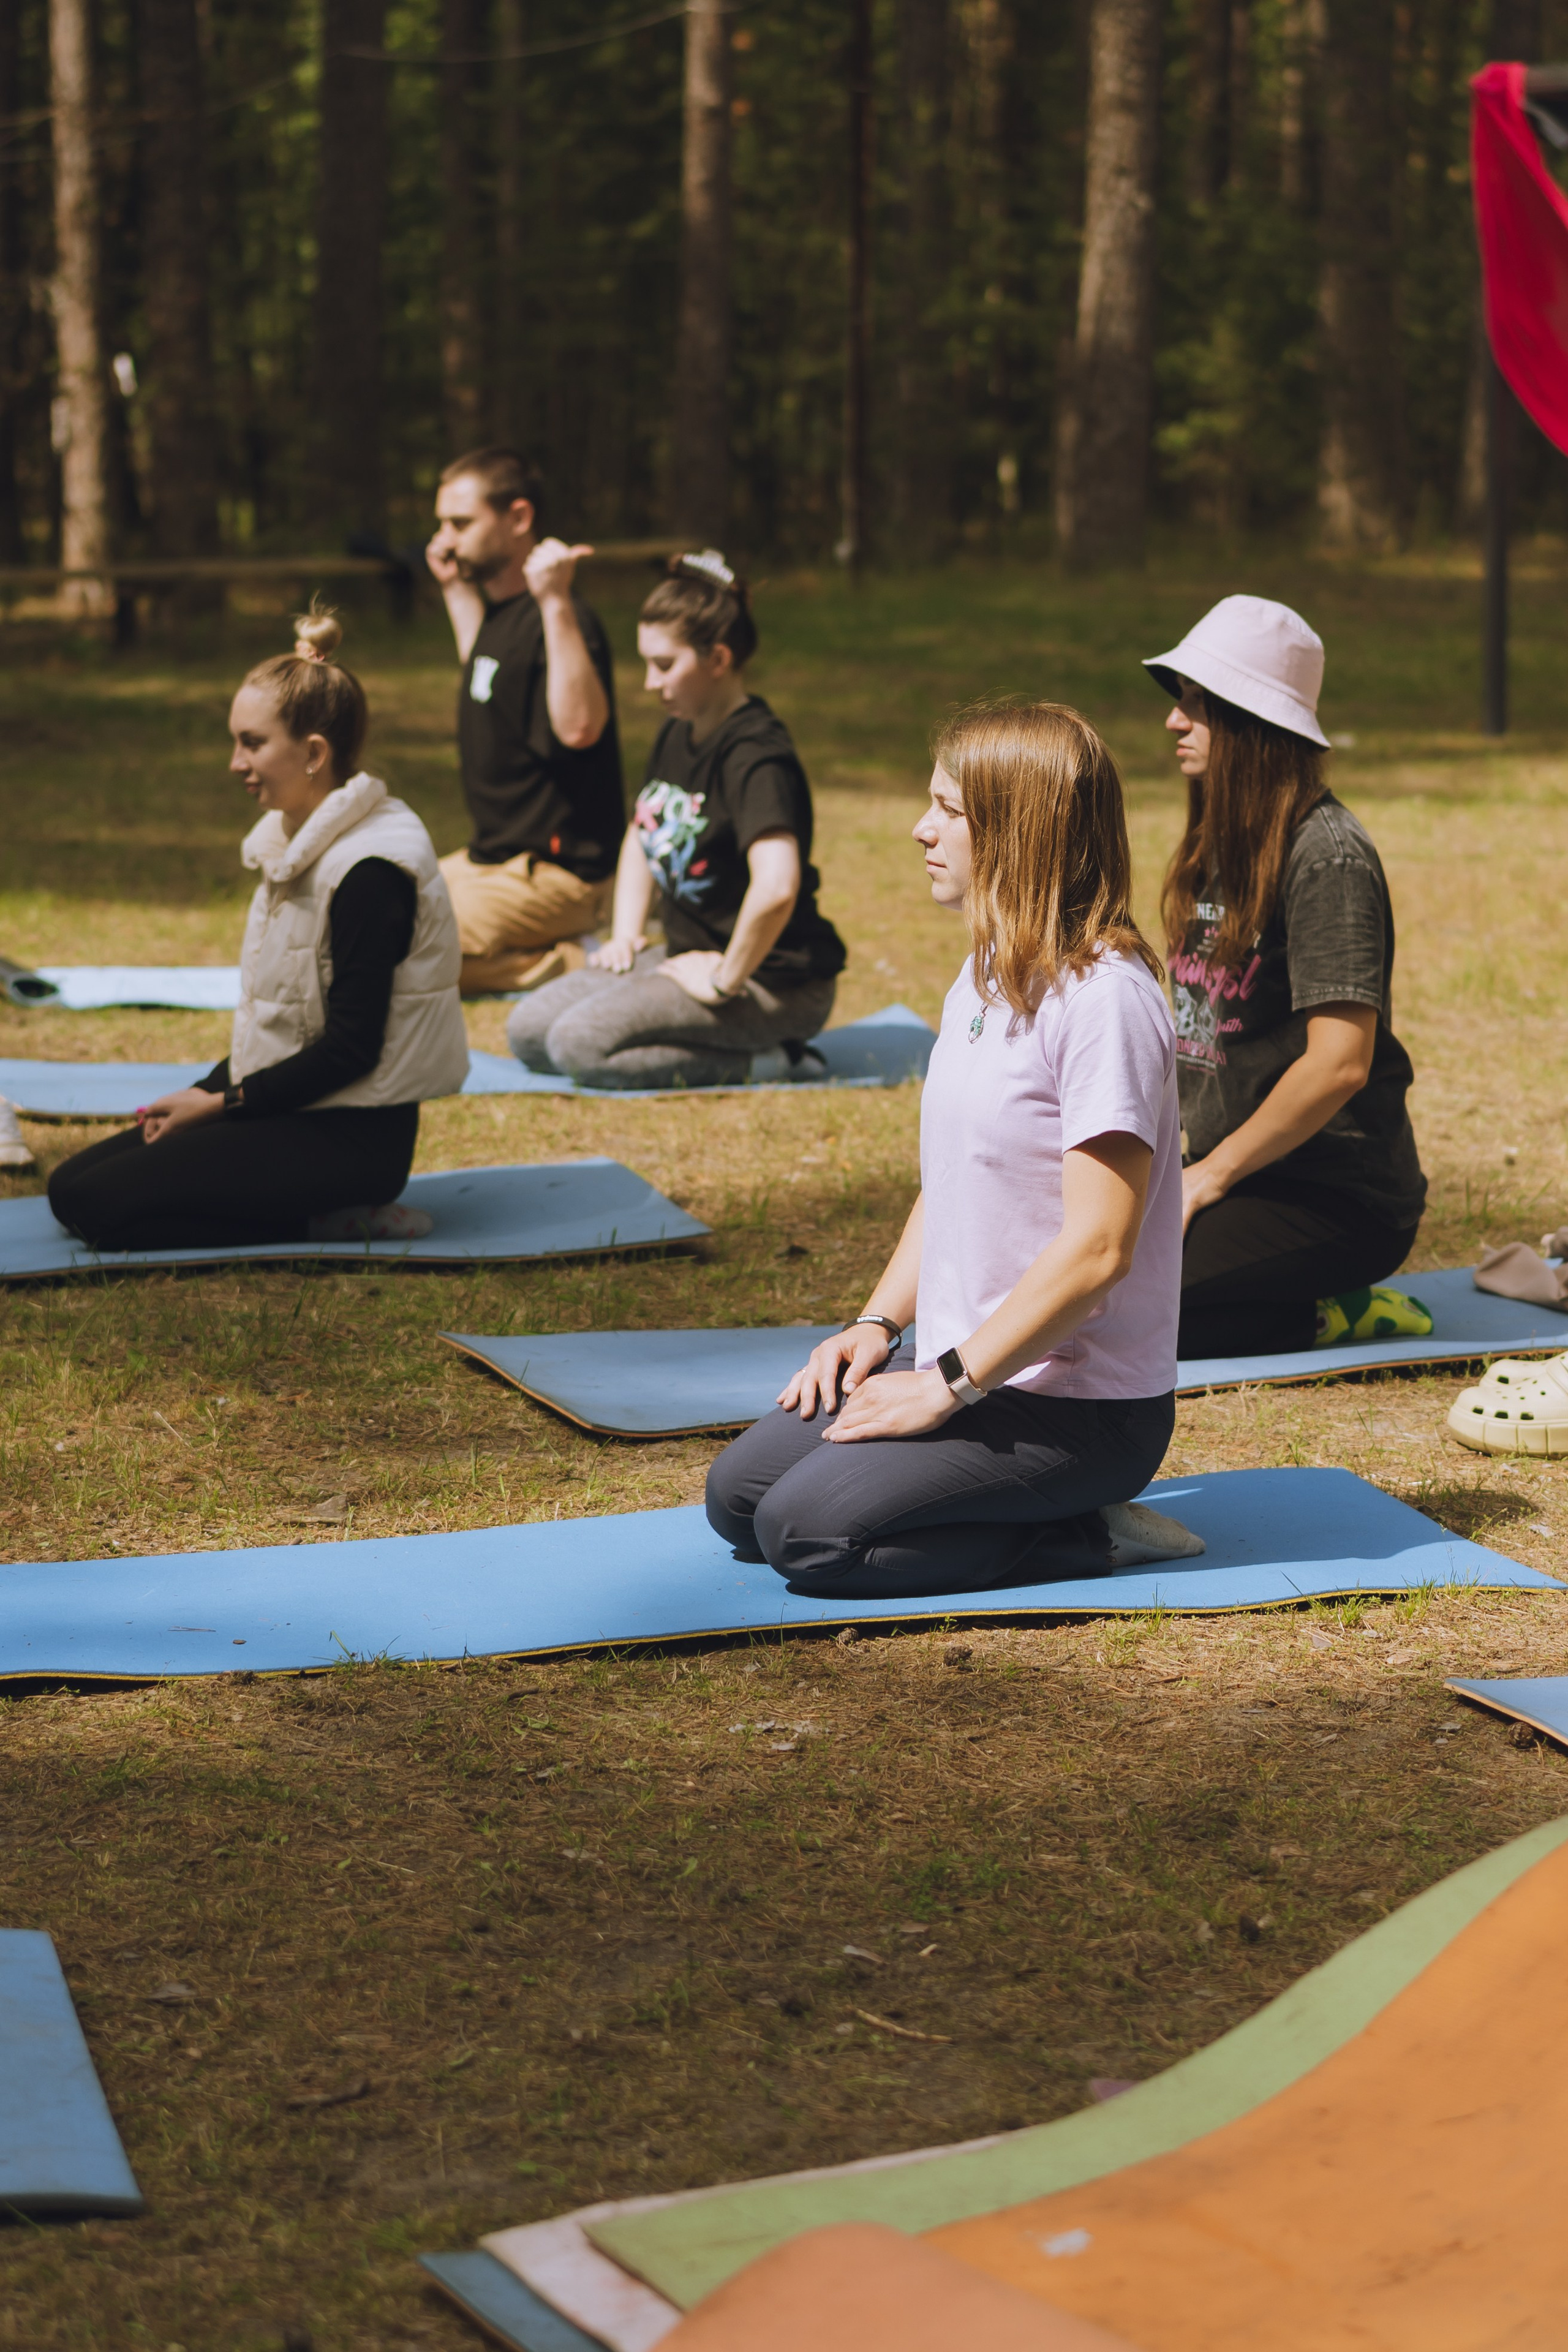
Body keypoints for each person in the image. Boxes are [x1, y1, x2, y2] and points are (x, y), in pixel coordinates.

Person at [706, 700, 1196, 1599]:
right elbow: (954, 1184)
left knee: (806, 1534)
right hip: (960, 1361)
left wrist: (948, 1388)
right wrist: (876, 1327)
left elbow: (1099, 1249)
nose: (920, 829)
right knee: (738, 1500)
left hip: (1075, 1408)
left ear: (1018, 831)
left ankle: (1087, 1532)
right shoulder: (985, 971)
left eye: (948, 810)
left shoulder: (1107, 1004)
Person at [48, 609, 470, 1253]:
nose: (234, 763)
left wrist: (221, 1106)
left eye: (252, 743)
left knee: (99, 1207)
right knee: (67, 1188)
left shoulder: (369, 871)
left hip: (353, 1139)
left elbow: (351, 1050)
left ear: (314, 753)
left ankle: (331, 1220)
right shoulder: (298, 845)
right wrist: (202, 1091)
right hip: (295, 1108)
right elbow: (287, 1024)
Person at [1148, 595, 1430, 1359]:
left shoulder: (1327, 857)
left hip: (1332, 1197)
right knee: (1064, 1275)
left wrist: (1209, 1178)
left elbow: (1340, 1065)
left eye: (1197, 703)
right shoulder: (1220, 843)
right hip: (1232, 1173)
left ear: (1251, 721)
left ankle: (1324, 1312)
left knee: (1117, 1312)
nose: (1174, 720)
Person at [505, 551, 846, 1090]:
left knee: (578, 1044)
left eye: (664, 665)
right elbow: (644, 830)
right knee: (528, 1032)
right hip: (688, 959)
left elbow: (778, 886)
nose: (649, 682)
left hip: (773, 981)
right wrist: (625, 934)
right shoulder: (679, 729)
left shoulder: (757, 756)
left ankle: (775, 1059)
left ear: (719, 659)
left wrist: (725, 980)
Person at [426, 447, 624, 995]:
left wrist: (556, 600)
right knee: (356, 913)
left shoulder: (563, 619)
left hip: (559, 877)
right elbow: (488, 676)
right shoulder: (501, 616)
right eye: (442, 525)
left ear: (518, 518)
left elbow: (581, 728)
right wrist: (453, 589)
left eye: (460, 524)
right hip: (488, 862)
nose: (443, 541)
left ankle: (571, 961)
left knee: (403, 953)